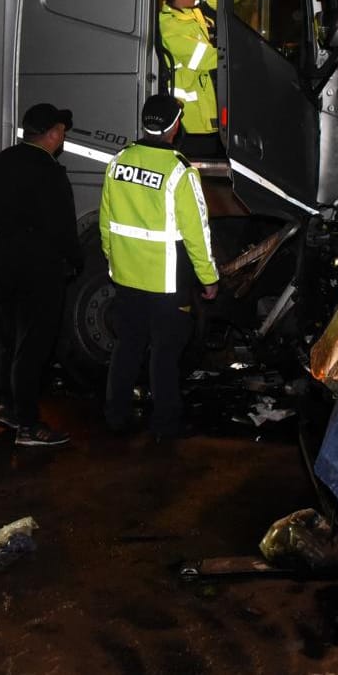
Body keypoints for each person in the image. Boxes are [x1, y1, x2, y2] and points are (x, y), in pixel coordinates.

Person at [99, 94, 220, 440]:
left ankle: (116, 415)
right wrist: (208, 278)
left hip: (126, 279)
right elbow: (198, 233)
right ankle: (165, 426)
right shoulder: (180, 172)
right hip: (166, 284)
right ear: (174, 126)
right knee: (166, 355)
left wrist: (114, 260)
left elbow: (106, 223)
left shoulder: (119, 161)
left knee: (128, 346)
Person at [0, 102, 82, 447]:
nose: (62, 138)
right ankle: (28, 425)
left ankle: (7, 406)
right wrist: (75, 259)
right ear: (52, 134)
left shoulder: (2, 162)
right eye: (62, 132)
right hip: (41, 265)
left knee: (10, 335)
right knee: (35, 343)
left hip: (6, 260)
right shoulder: (50, 171)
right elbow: (64, 226)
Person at [157, 0, 220, 140]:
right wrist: (231, 57)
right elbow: (199, 56)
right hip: (189, 102)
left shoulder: (191, 12)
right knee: (199, 145)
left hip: (203, 89)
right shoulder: (169, 24)